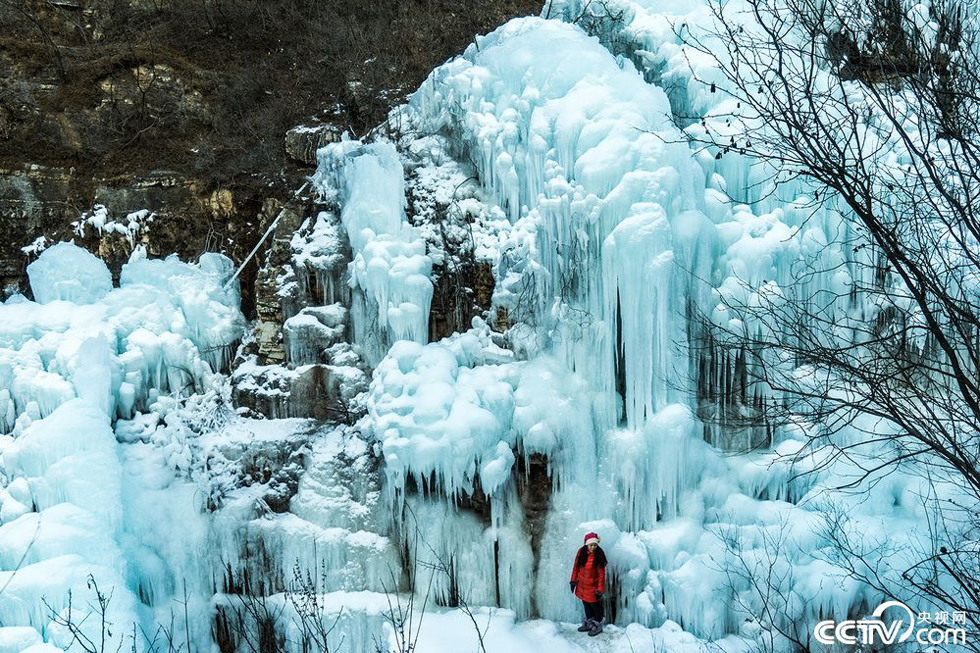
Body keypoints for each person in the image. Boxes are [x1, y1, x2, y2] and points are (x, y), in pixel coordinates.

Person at [569, 531, 607, 636]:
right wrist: (573, 581)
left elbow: (601, 574)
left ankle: (598, 625)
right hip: (582, 585)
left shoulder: (599, 555)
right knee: (586, 604)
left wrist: (600, 589)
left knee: (595, 605)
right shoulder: (581, 552)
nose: (593, 547)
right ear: (586, 544)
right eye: (591, 545)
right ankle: (589, 623)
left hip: (593, 587)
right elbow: (576, 567)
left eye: (595, 545)